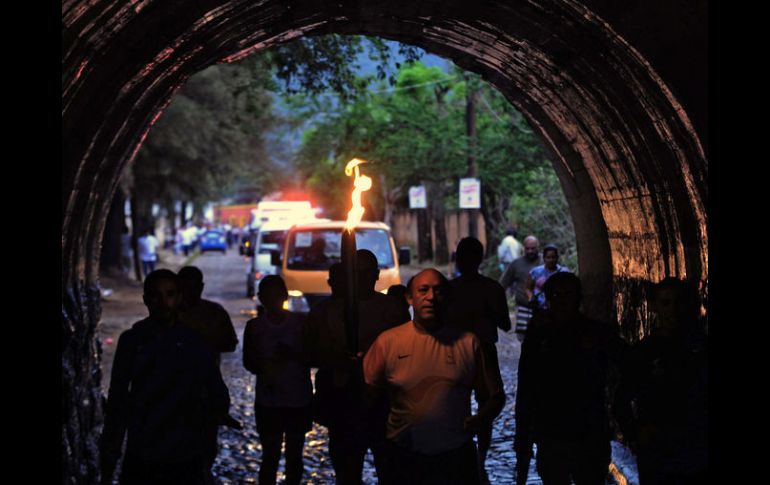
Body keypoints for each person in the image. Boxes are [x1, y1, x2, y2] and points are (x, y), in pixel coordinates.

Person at [363, 269, 506, 485]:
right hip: (404, 456)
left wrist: (480, 419)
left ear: (447, 298)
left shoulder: (468, 343)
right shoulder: (388, 343)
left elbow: (495, 395)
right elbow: (367, 393)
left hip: (455, 457)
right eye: (423, 290)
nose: (430, 297)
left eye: (438, 291)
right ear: (410, 298)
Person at [100, 270, 230, 485]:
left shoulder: (194, 342)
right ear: (146, 300)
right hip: (145, 447)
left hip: (183, 448)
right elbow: (118, 398)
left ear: (179, 298)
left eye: (169, 294)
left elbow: (215, 386)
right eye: (156, 295)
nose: (163, 302)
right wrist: (110, 451)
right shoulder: (132, 342)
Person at [304, 250, 410, 484]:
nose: (361, 279)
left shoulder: (391, 310)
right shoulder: (324, 312)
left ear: (375, 275)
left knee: (390, 468)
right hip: (343, 402)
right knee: (347, 470)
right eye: (356, 273)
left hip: (384, 403)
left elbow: (407, 353)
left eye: (366, 273)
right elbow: (309, 352)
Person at [514, 272, 627, 485]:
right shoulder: (538, 338)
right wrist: (523, 439)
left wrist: (619, 406)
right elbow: (526, 388)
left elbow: (629, 364)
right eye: (556, 295)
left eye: (568, 294)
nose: (563, 300)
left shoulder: (596, 333)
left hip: (589, 431)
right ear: (548, 299)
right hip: (552, 433)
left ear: (578, 298)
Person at [613, 278, 708, 484]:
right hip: (658, 451)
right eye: (666, 303)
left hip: (696, 448)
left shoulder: (701, 349)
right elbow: (621, 400)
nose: (673, 310)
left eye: (679, 302)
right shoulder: (642, 353)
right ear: (654, 306)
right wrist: (636, 432)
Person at [448, 237, 511, 483]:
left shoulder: (449, 289)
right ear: (481, 259)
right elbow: (505, 324)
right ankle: (480, 458)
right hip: (484, 349)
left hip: (454, 353)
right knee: (489, 403)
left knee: (453, 402)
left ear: (458, 259)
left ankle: (460, 452)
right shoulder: (492, 288)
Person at [243, 276, 313, 485]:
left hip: (295, 399)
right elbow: (249, 362)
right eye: (268, 296)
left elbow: (313, 355)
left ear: (283, 296)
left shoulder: (300, 324)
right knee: (270, 455)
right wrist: (267, 367)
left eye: (276, 295)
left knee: (293, 456)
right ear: (261, 298)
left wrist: (291, 355)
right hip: (270, 400)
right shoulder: (254, 328)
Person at [176, 266, 240, 481]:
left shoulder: (212, 313)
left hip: (203, 388)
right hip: (179, 388)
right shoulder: (212, 313)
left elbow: (230, 343)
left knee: (205, 438)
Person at [499, 236, 541, 340]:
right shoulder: (516, 264)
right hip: (523, 308)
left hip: (542, 308)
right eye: (527, 248)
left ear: (538, 247)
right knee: (524, 339)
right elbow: (503, 284)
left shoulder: (545, 262)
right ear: (523, 248)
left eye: (533, 248)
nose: (530, 251)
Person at [525, 244, 570, 311]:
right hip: (540, 308)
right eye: (548, 257)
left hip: (559, 309)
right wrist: (531, 298)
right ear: (544, 258)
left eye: (553, 257)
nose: (551, 260)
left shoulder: (564, 272)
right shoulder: (535, 272)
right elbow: (528, 288)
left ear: (557, 257)